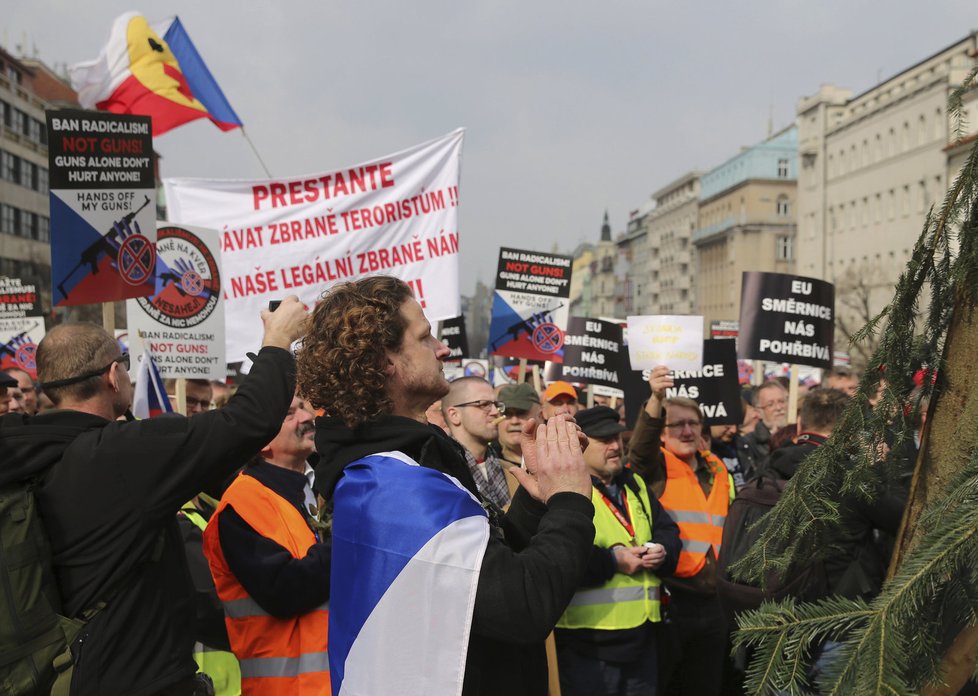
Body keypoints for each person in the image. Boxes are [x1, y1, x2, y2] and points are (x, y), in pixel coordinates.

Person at [296, 276, 595, 696]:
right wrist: (570, 498)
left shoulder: (395, 468)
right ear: (387, 362)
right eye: (424, 336)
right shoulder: (392, 485)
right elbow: (523, 604)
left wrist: (534, 497)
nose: (442, 349)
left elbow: (481, 577)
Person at [0, 299, 308, 695]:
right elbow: (247, 421)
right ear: (114, 375)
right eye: (124, 363)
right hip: (137, 682)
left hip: (69, 675)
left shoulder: (25, 453)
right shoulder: (117, 454)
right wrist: (278, 339)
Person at [204, 394, 330, 695]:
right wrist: (350, 539)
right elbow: (283, 590)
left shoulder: (320, 488)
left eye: (304, 407)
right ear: (261, 441)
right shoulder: (242, 503)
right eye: (289, 414)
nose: (306, 417)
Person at [555, 406, 681, 696]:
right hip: (588, 644)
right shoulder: (565, 489)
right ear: (580, 444)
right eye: (604, 440)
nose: (615, 446)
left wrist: (661, 550)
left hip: (644, 637)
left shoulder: (633, 482)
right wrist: (613, 561)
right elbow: (560, 556)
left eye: (618, 438)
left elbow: (667, 530)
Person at [628, 366, 731, 696]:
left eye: (693, 423)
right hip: (673, 597)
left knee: (706, 685)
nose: (686, 431)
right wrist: (657, 399)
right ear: (662, 432)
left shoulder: (717, 468)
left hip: (714, 599)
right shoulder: (653, 467)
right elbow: (640, 448)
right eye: (677, 425)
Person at [443, 376, 510, 509]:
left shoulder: (508, 470)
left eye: (496, 405)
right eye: (484, 404)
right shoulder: (443, 473)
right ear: (454, 415)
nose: (495, 412)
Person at [494, 382, 542, 499]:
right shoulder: (487, 462)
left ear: (540, 415)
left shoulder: (555, 460)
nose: (514, 421)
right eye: (507, 414)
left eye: (521, 413)